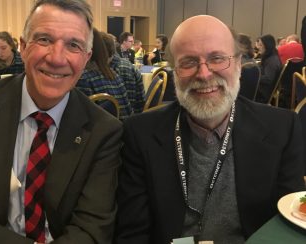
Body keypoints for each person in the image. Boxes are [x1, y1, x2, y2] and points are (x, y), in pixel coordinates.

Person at [0, 0, 122, 243]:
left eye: (73, 45)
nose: (56, 58)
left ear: (86, 58)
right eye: (44, 40)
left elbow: (92, 232)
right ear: (22, 46)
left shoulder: (103, 131)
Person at [115, 15, 305, 244]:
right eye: (188, 62)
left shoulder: (282, 129)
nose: (204, 74)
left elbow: (289, 228)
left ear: (238, 64)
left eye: (217, 58)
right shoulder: (140, 134)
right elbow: (132, 234)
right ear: (174, 70)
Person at [77, 28, 133, 121]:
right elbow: (129, 112)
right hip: (123, 129)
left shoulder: (83, 79)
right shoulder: (115, 75)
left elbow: (80, 121)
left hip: (101, 132)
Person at [103, 32, 146, 114]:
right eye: (130, 41)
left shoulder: (131, 54)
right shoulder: (117, 54)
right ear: (124, 41)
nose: (133, 43)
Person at [255, 34, 282, 103]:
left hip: (263, 94)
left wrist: (253, 77)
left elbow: (268, 79)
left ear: (267, 46)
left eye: (260, 45)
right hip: (263, 90)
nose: (258, 47)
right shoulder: (271, 57)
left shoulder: (272, 60)